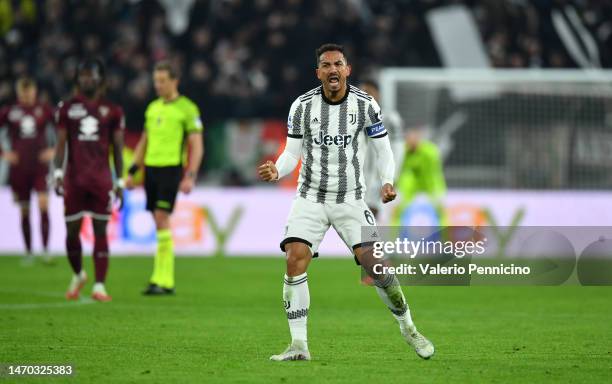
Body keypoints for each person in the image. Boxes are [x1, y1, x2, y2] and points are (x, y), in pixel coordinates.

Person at [258, 44, 434, 361]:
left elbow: (384, 150)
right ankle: (299, 346)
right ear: (318, 73)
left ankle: (409, 329)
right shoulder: (302, 106)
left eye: (338, 64)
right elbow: (291, 154)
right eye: (326, 65)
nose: (332, 69)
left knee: (376, 267)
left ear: (347, 69)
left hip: (351, 200)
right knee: (294, 258)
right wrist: (277, 169)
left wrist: (387, 181)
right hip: (310, 197)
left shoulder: (366, 106)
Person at [126, 61, 204, 296]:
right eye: (155, 81)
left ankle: (165, 279)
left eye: (162, 81)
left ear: (174, 81)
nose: (158, 85)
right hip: (150, 169)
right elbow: (143, 142)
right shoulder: (152, 108)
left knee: (161, 217)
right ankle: (158, 278)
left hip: (171, 168)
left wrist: (190, 175)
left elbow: (197, 146)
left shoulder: (187, 109)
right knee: (158, 221)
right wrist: (132, 171)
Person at [53, 59, 125, 302]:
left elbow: (117, 147)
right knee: (72, 232)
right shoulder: (66, 108)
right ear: (77, 79)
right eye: (82, 75)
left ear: (100, 79)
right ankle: (78, 274)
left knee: (100, 230)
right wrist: (57, 173)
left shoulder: (113, 110)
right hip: (74, 179)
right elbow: (61, 145)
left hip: (101, 180)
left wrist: (121, 181)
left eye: (91, 75)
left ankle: (100, 286)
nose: (86, 79)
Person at [0, 77, 55, 264]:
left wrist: (54, 150)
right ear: (18, 92)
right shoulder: (10, 111)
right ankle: (29, 252)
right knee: (24, 210)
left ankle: (46, 250)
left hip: (40, 167)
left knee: (43, 204)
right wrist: (3, 153)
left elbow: (63, 129)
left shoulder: (44, 109)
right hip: (19, 169)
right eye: (23, 92)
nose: (26, 95)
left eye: (29, 91)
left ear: (34, 91)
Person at [359, 79, 405, 218]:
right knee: (360, 218)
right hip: (359, 178)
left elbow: (399, 149)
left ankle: (374, 239)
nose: (365, 96)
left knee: (374, 214)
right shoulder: (353, 119)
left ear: (377, 94)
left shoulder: (391, 118)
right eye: (362, 93)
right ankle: (367, 239)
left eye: (368, 92)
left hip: (379, 177)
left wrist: (392, 178)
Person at [393, 129, 447, 226]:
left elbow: (433, 172)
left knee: (441, 208)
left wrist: (436, 192)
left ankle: (445, 235)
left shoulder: (430, 151)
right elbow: (399, 171)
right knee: (398, 207)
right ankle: (393, 235)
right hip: (411, 183)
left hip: (429, 182)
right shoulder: (403, 152)